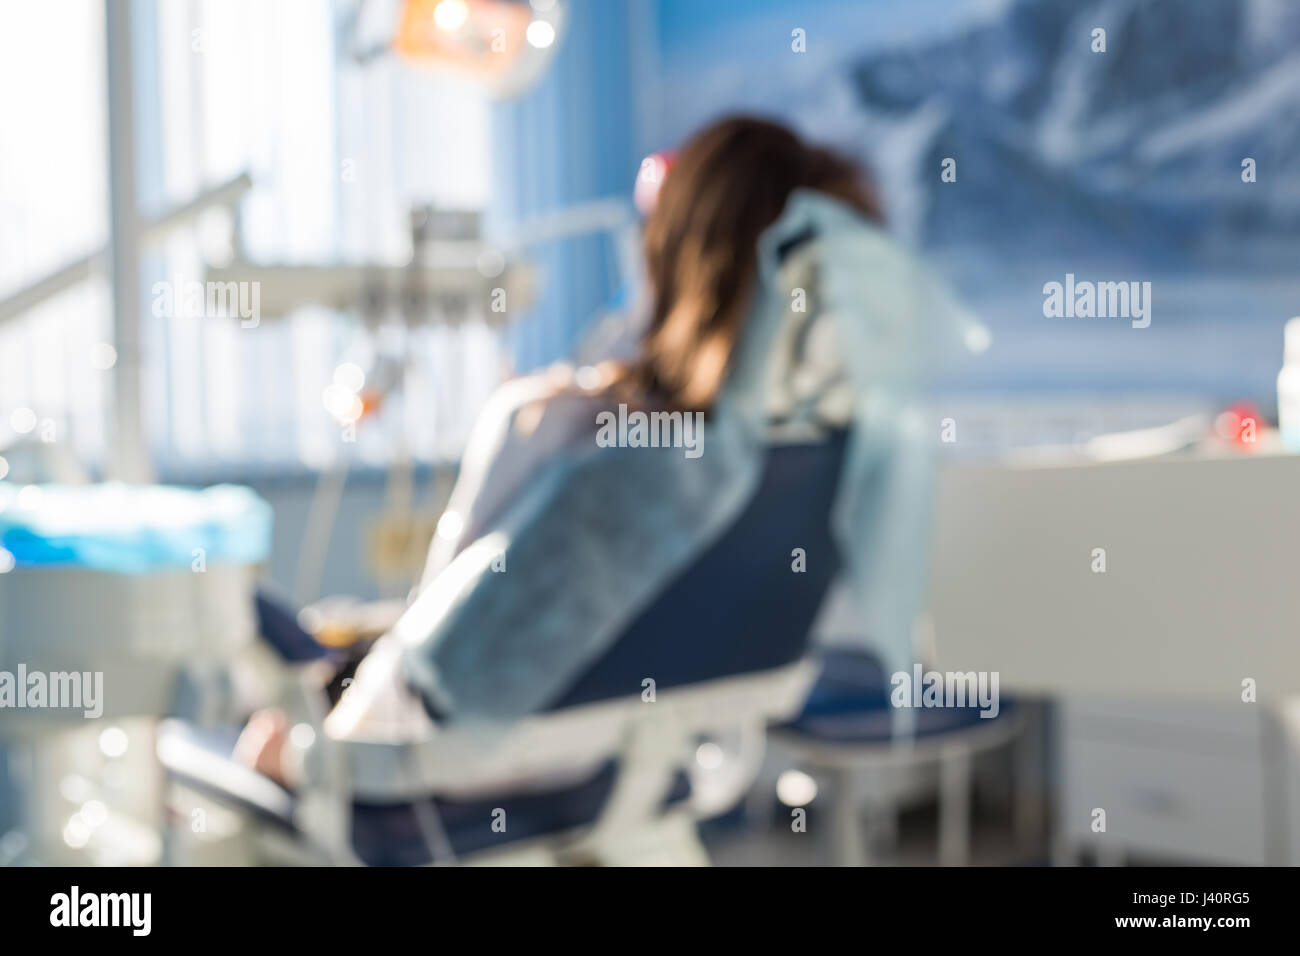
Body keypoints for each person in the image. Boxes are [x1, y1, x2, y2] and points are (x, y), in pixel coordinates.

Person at [236, 115, 935, 785]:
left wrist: (293, 753)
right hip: (633, 768)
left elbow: (419, 688)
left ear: (677, 261)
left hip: (441, 768)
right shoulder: (828, 463)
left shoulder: (569, 436)